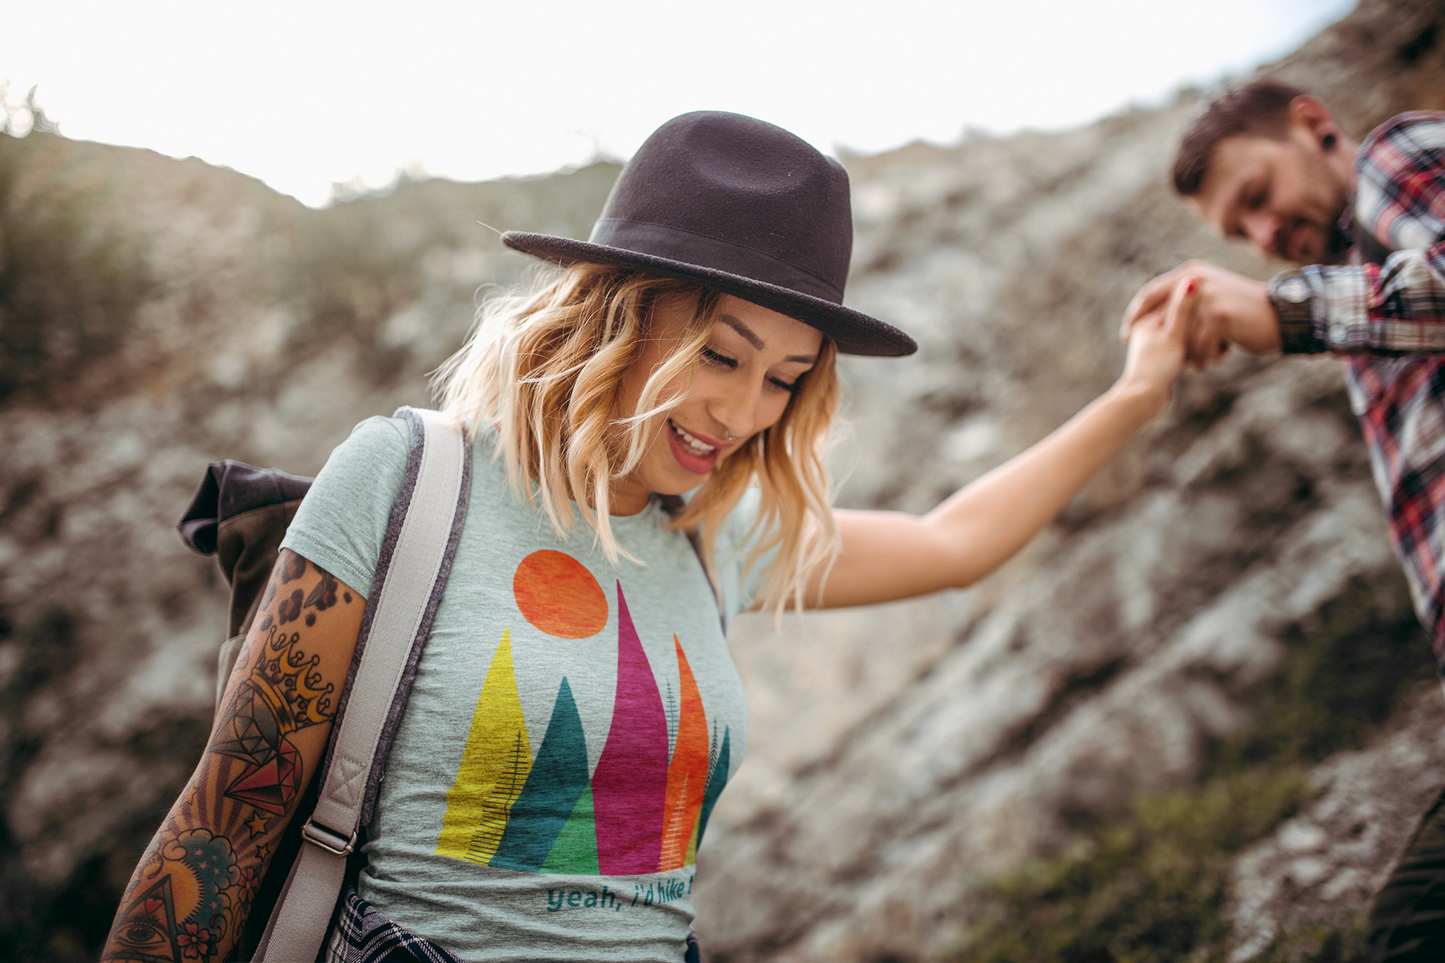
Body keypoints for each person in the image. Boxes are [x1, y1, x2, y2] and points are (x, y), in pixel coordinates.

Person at [104, 110, 1193, 963]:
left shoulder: (713, 536)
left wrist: (1138, 394)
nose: (743, 414)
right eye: (721, 355)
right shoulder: (407, 478)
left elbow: (954, 542)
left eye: (784, 377)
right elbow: (223, 824)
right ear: (617, 312)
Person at [1122, 80, 1445, 959]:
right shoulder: (1367, 302)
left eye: (1257, 197)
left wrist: (1289, 313)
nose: (1263, 237)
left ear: (1313, 127)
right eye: (1241, 231)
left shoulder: (1395, 158)